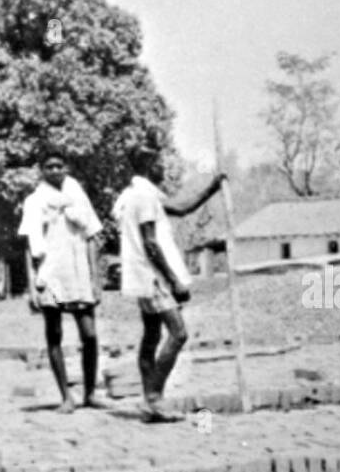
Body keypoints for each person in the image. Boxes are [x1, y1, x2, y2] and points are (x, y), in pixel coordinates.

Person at [113, 145, 226, 422]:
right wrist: (174, 280)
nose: (162, 169)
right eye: (157, 165)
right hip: (153, 275)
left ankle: (151, 400)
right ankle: (154, 398)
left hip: (144, 274)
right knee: (178, 333)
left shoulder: (139, 195)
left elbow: (181, 208)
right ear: (148, 168)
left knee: (152, 336)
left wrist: (212, 188)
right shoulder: (142, 197)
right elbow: (151, 243)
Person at [18, 155, 105, 412]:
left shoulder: (78, 196)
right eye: (49, 166)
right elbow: (28, 245)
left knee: (89, 334)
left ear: (66, 168)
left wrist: (96, 278)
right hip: (50, 273)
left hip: (78, 273)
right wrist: (32, 285)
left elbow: (91, 237)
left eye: (59, 166)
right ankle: (66, 396)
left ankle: (89, 393)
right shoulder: (34, 202)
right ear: (42, 170)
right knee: (54, 334)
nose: (55, 170)